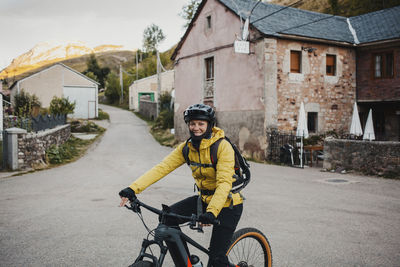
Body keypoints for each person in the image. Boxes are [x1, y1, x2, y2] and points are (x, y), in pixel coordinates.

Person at [119, 103, 243, 266]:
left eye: (201, 123)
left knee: (217, 260)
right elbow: (162, 168)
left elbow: (224, 183)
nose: (196, 128)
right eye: (192, 123)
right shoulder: (187, 148)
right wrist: (133, 188)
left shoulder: (222, 147)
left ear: (209, 125)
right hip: (204, 200)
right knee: (167, 218)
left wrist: (212, 212)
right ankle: (187, 263)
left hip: (228, 205)